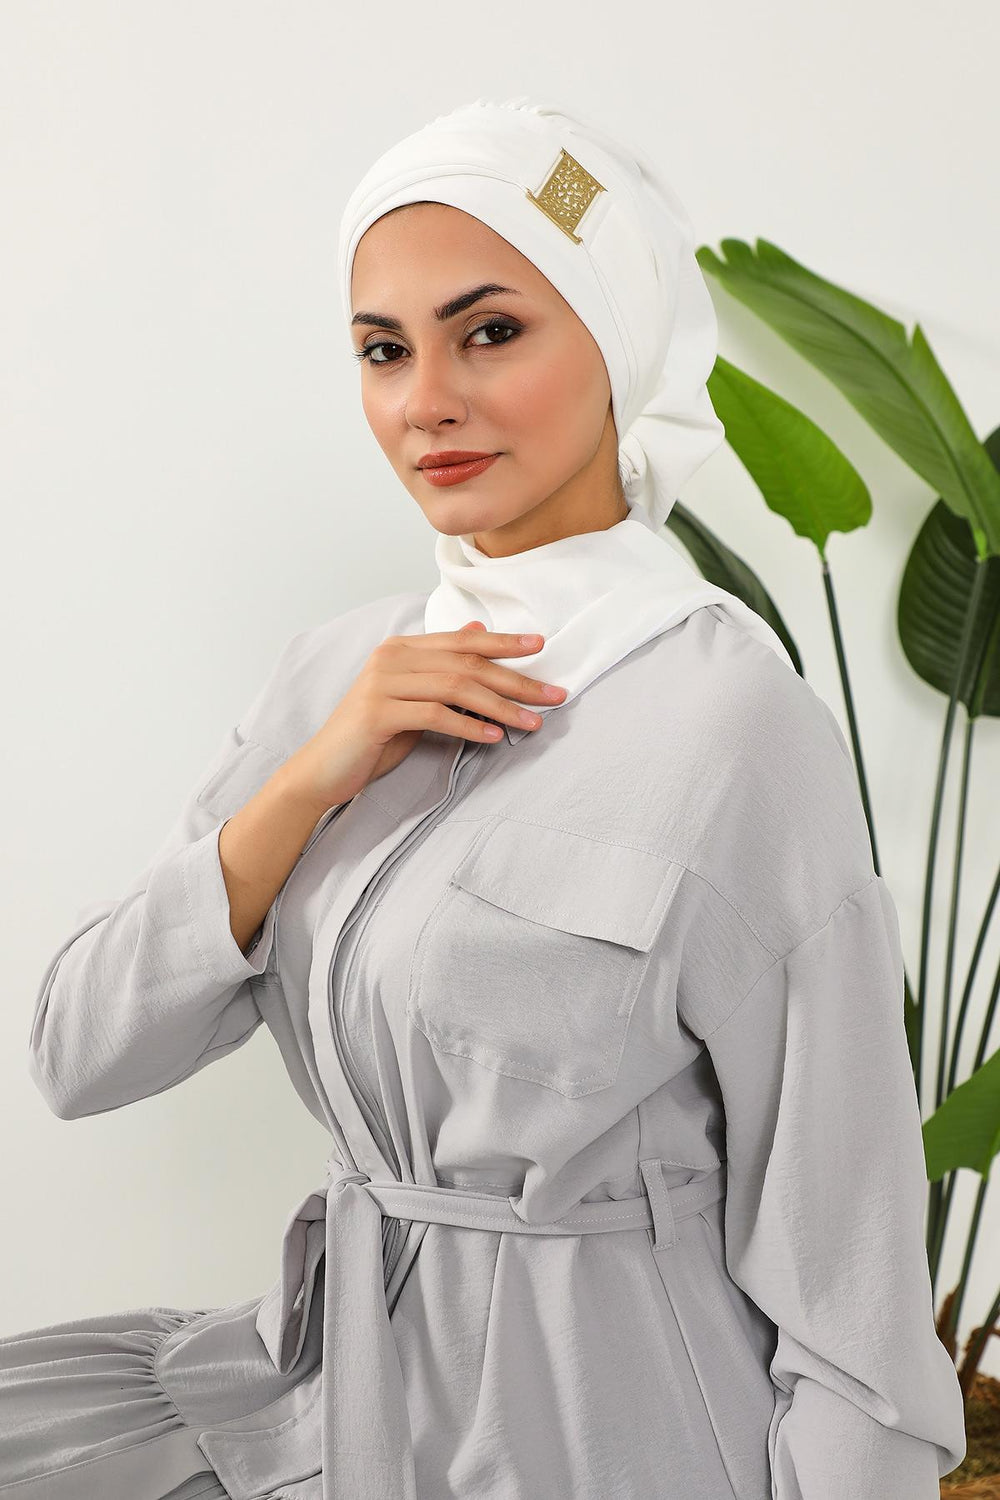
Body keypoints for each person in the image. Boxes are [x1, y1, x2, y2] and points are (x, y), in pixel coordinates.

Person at [2, 96, 967, 1499]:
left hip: (607, 1442)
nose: (426, 401)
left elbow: (850, 1276)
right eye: (384, 350)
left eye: (492, 331)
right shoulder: (339, 676)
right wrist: (312, 778)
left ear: (617, 342)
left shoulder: (733, 726)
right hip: (340, 1391)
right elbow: (78, 1053)